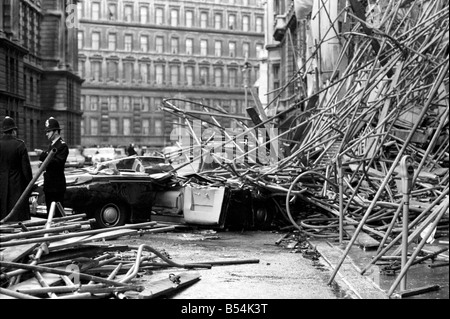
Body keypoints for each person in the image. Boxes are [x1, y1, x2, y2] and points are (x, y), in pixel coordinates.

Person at [0, 116, 33, 222]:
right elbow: (26, 170)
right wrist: (30, 185)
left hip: (1, 186)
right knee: (18, 219)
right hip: (17, 187)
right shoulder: (20, 145)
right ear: (13, 131)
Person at [38, 117, 69, 217]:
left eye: (48, 131)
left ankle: (60, 231)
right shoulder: (52, 145)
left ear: (55, 131)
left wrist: (43, 156)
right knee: (50, 214)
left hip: (57, 186)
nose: (46, 134)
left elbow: (57, 163)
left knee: (58, 214)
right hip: (49, 185)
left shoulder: (62, 146)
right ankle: (51, 231)